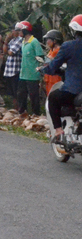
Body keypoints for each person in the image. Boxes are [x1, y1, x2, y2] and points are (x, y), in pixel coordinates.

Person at [44, 14, 82, 143]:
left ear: (74, 30)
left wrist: (44, 69)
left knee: (53, 98)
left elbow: (53, 66)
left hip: (74, 90)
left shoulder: (68, 46)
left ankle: (59, 131)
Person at [15, 21, 43, 116]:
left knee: (33, 96)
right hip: (23, 74)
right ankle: (22, 112)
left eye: (20, 30)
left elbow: (40, 57)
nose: (19, 33)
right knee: (21, 94)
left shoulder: (34, 42)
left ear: (25, 30)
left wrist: (39, 69)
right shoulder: (23, 42)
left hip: (32, 74)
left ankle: (36, 113)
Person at [3, 24, 24, 99]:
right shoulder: (12, 40)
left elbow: (11, 53)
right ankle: (15, 109)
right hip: (9, 70)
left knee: (16, 92)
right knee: (12, 93)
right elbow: (5, 51)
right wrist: (6, 41)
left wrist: (7, 45)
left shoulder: (20, 40)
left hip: (15, 70)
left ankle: (19, 109)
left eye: (14, 30)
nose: (12, 32)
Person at [43, 30, 63, 96]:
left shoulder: (58, 51)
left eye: (48, 40)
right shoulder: (51, 50)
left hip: (55, 78)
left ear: (55, 41)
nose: (47, 42)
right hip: (49, 78)